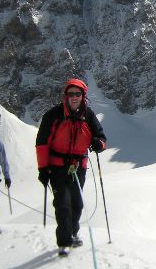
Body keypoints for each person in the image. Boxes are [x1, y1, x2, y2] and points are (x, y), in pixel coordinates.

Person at [36, 78, 106, 257]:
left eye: (78, 94)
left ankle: (74, 232)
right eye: (71, 94)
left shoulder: (88, 115)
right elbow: (42, 143)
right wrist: (43, 169)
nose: (74, 97)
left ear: (83, 96)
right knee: (63, 204)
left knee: (77, 203)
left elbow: (101, 137)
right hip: (57, 167)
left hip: (78, 167)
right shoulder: (53, 115)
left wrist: (98, 144)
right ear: (65, 96)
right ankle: (64, 241)